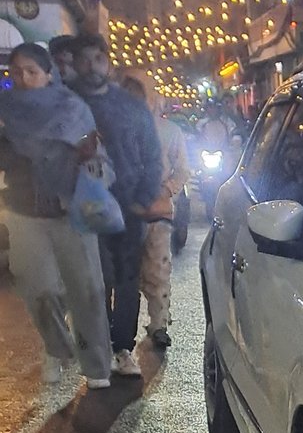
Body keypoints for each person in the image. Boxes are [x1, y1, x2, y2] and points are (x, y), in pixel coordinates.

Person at [0, 42, 112, 388]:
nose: (23, 77)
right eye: (16, 72)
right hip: (24, 211)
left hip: (71, 209)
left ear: (48, 74)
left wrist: (89, 178)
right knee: (39, 289)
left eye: (31, 71)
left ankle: (96, 367)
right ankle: (57, 348)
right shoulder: (5, 112)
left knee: (87, 290)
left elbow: (94, 153)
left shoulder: (71, 109)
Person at [72, 34, 162, 378]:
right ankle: (96, 348)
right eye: (86, 59)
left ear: (107, 63)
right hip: (83, 205)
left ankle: (122, 346)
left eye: (99, 58)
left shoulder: (130, 106)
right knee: (94, 280)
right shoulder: (70, 103)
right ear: (77, 63)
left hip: (126, 205)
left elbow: (151, 154)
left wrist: (143, 197)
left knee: (125, 277)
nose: (92, 66)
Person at [122, 74, 189, 348]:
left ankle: (159, 324)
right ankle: (122, 336)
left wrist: (168, 189)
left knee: (158, 269)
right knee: (127, 275)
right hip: (124, 213)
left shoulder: (170, 132)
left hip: (158, 211)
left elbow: (183, 169)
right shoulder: (115, 131)